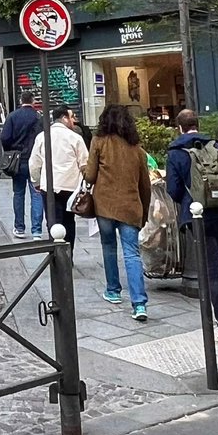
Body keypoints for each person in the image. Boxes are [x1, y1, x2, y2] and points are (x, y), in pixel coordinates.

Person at [166, 109, 218, 345]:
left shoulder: (176, 153)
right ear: (197, 124)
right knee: (212, 264)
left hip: (198, 217)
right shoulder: (217, 146)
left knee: (212, 271)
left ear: (179, 127)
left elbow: (173, 190)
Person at [83, 106, 152, 322]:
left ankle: (113, 290)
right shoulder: (137, 149)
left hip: (104, 205)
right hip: (131, 207)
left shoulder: (99, 142)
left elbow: (91, 176)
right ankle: (139, 303)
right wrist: (144, 213)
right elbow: (145, 185)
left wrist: (84, 170)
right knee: (132, 253)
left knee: (108, 246)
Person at [29, 105, 88, 250]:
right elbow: (85, 164)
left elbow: (34, 163)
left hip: (49, 186)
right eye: (71, 117)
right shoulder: (75, 138)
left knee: (53, 222)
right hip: (70, 186)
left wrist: (36, 181)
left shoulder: (42, 137)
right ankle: (68, 255)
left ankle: (55, 255)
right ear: (64, 118)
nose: (74, 121)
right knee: (69, 222)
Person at [1, 92, 44, 240]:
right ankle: (37, 230)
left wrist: (11, 150)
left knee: (18, 193)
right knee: (37, 194)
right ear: (33, 101)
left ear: (20, 101)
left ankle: (19, 228)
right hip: (36, 160)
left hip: (18, 159)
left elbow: (4, 137)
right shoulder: (39, 117)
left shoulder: (13, 116)